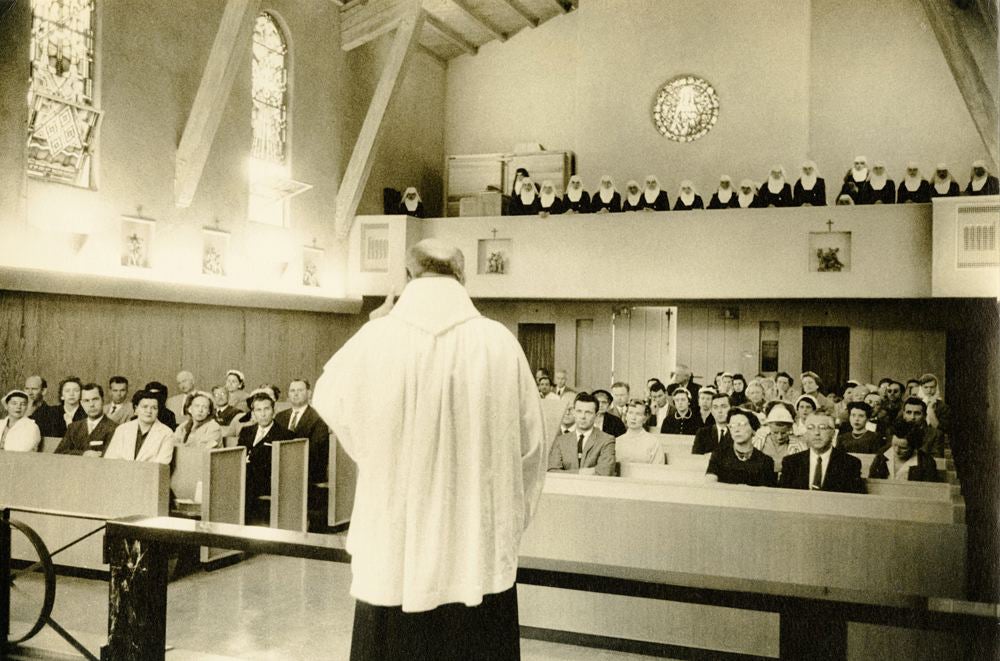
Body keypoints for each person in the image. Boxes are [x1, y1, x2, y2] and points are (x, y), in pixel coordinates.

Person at [310, 238, 546, 660]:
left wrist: (377, 454)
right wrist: (503, 527)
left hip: (394, 552)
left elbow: (330, 397)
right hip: (477, 556)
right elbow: (531, 449)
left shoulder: (377, 337)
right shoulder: (499, 343)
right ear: (463, 277)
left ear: (408, 277)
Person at [275, 378, 331, 522]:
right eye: (292, 391)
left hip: (307, 469)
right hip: (280, 466)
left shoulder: (318, 418)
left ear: (309, 393)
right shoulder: (280, 416)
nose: (295, 394)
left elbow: (316, 450)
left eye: (300, 390)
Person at [238, 390, 294, 524]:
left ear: (273, 411)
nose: (262, 414)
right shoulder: (246, 431)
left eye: (266, 409)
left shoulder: (285, 435)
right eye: (258, 410)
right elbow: (239, 454)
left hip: (267, 483)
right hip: (245, 480)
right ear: (253, 413)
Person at [778, 413, 864, 493]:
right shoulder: (791, 462)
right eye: (811, 428)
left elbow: (855, 501)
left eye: (822, 428)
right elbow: (783, 498)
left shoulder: (850, 463)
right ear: (806, 433)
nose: (816, 433)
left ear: (833, 433)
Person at [549, 392, 616, 475]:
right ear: (574, 413)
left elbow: (604, 472)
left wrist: (567, 473)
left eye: (588, 412)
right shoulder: (560, 441)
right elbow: (552, 472)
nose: (583, 416)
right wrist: (581, 472)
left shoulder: (607, 440)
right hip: (566, 487)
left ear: (596, 415)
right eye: (579, 411)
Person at [706, 410, 776, 486]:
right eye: (732, 426)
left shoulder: (765, 461)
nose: (736, 430)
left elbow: (767, 494)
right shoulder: (719, 455)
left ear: (753, 430)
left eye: (741, 424)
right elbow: (710, 485)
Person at [103, 389, 174, 463]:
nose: (149, 411)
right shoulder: (122, 429)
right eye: (145, 407)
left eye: (154, 408)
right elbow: (110, 459)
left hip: (151, 474)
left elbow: (162, 465)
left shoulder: (166, 433)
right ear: (136, 409)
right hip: (122, 473)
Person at [55, 383, 117, 456]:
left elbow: (112, 456)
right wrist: (83, 454)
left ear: (103, 400)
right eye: (86, 401)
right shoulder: (73, 427)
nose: (91, 405)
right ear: (81, 403)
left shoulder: (114, 428)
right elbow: (58, 453)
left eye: (95, 399)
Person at [868, 420, 938, 482]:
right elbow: (872, 482)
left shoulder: (926, 462)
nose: (897, 450)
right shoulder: (882, 456)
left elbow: (928, 490)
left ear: (915, 447)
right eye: (894, 445)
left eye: (903, 448)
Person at [752, 402, 806, 477]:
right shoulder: (757, 441)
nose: (779, 437)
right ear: (769, 427)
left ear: (790, 428)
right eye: (775, 432)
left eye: (784, 433)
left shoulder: (799, 445)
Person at [615, 399, 665, 464]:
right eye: (630, 413)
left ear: (644, 419)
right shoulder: (617, 442)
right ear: (626, 416)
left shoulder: (653, 442)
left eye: (638, 414)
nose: (633, 418)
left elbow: (658, 469)